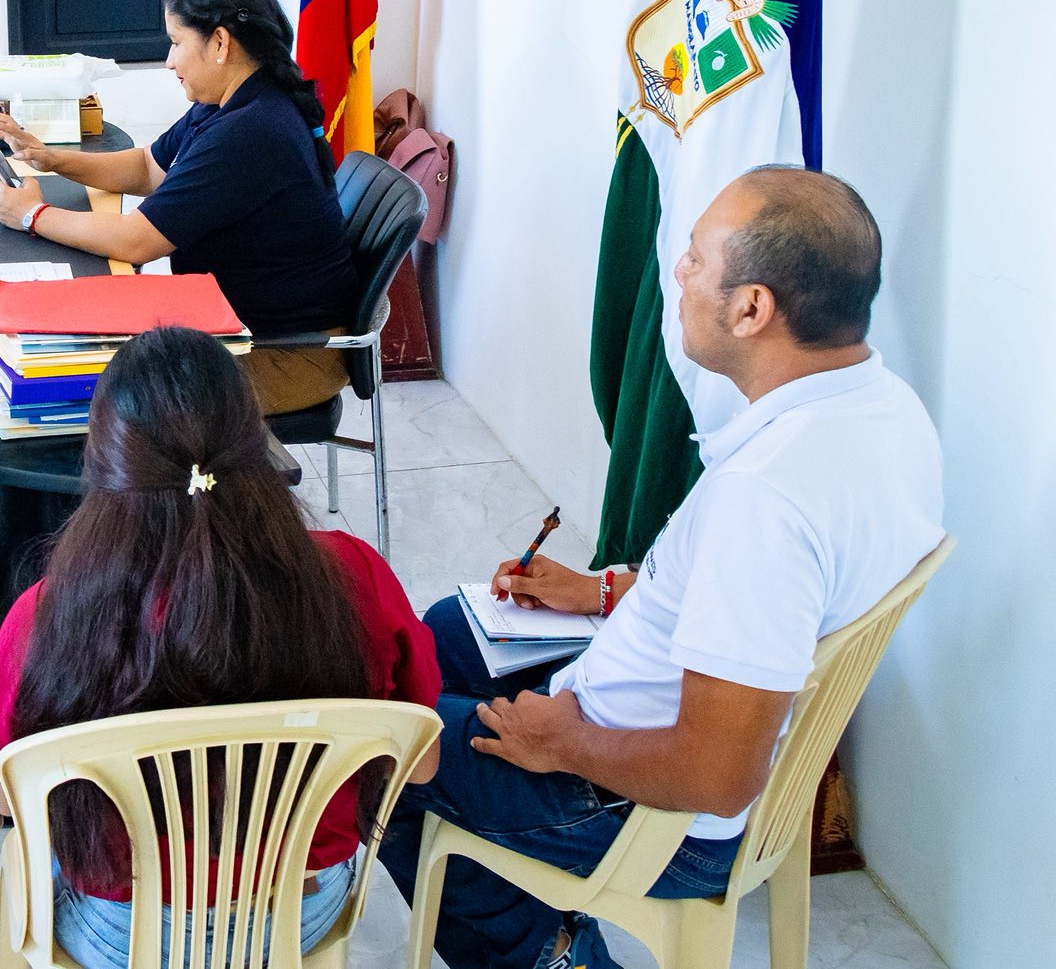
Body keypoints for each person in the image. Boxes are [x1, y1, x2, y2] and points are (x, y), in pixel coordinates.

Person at [378, 168, 946, 969]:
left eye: (696, 259)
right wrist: (604, 591)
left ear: (751, 308)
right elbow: (761, 600)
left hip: (651, 807)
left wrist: (565, 743)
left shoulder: (765, 500)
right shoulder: (884, 408)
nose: (677, 273)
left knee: (378, 742)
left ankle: (555, 952)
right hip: (657, 714)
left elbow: (716, 774)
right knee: (443, 633)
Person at [0, 326, 439, 967]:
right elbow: (419, 765)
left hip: (123, 934)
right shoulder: (355, 576)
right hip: (301, 913)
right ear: (255, 441)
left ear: (106, 463)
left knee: (10, 810)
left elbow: (0, 796)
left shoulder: (50, 615)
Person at [0, 0, 356, 414]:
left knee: (98, 390)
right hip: (242, 330)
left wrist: (32, 215)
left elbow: (138, 241)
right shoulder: (230, 100)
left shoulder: (249, 132)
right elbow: (147, 167)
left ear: (220, 43)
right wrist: (50, 157)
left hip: (287, 354)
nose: (169, 60)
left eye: (177, 42)